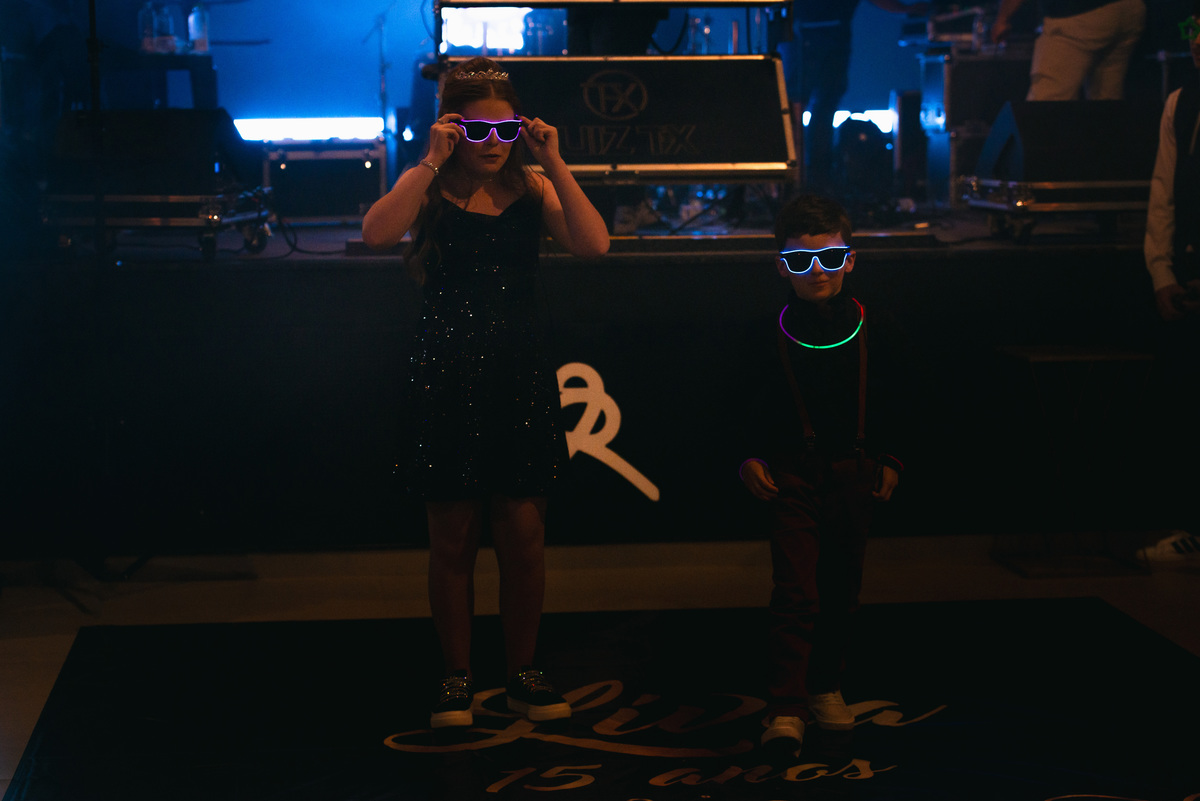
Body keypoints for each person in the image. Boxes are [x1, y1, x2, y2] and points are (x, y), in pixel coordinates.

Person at [361, 57, 610, 729]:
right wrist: (428, 159)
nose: (493, 142)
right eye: (477, 129)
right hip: (447, 375)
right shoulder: (431, 186)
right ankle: (456, 677)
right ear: (452, 127)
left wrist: (554, 160)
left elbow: (594, 245)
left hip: (518, 373)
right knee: (452, 539)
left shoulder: (533, 186)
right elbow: (376, 233)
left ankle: (523, 670)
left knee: (524, 536)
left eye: (506, 128)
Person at [739, 193, 907, 753]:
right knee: (795, 590)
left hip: (855, 472)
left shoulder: (874, 326)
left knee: (841, 586)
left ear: (850, 259)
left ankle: (825, 686)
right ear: (781, 264)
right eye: (801, 260)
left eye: (830, 258)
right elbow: (743, 404)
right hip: (792, 474)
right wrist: (750, 456)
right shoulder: (769, 331)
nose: (817, 271)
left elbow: (900, 398)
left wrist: (891, 458)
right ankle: (787, 703)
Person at [1140, 8, 1200, 565]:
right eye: (1195, 29)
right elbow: (1163, 193)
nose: (1198, 41)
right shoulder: (1182, 102)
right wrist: (1162, 270)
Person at [775, 0, 928, 191]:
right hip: (806, 33)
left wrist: (905, 9)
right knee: (801, 106)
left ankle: (814, 180)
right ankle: (796, 180)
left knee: (822, 108)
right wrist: (906, 9)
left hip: (829, 36)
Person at [992, 0, 1146, 100]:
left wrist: (1002, 19)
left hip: (1077, 13)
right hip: (1130, 9)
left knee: (1043, 111)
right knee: (1106, 106)